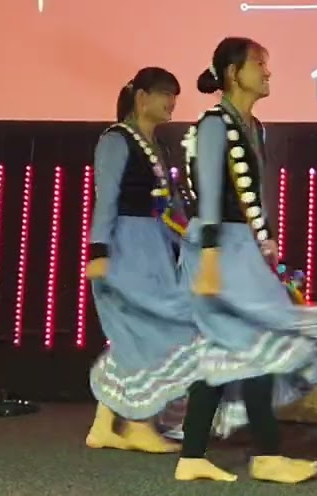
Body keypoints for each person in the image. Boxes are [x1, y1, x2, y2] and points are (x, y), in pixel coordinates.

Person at [174, 36, 317, 484]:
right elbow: (207, 200)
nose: (268, 72)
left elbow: (255, 197)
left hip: (242, 248)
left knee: (228, 351)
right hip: (218, 249)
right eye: (259, 64)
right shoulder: (213, 125)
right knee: (260, 342)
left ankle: (193, 455)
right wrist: (207, 263)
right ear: (231, 73)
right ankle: (266, 454)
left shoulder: (253, 126)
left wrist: (267, 240)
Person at [84, 67, 191, 454]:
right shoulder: (116, 140)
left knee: (137, 335)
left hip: (153, 242)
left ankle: (103, 425)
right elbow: (107, 197)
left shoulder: (156, 144)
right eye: (165, 94)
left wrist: (191, 236)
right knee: (148, 333)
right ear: (141, 97)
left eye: (174, 96)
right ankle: (138, 424)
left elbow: (170, 203)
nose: (172, 103)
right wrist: (99, 252)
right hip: (127, 242)